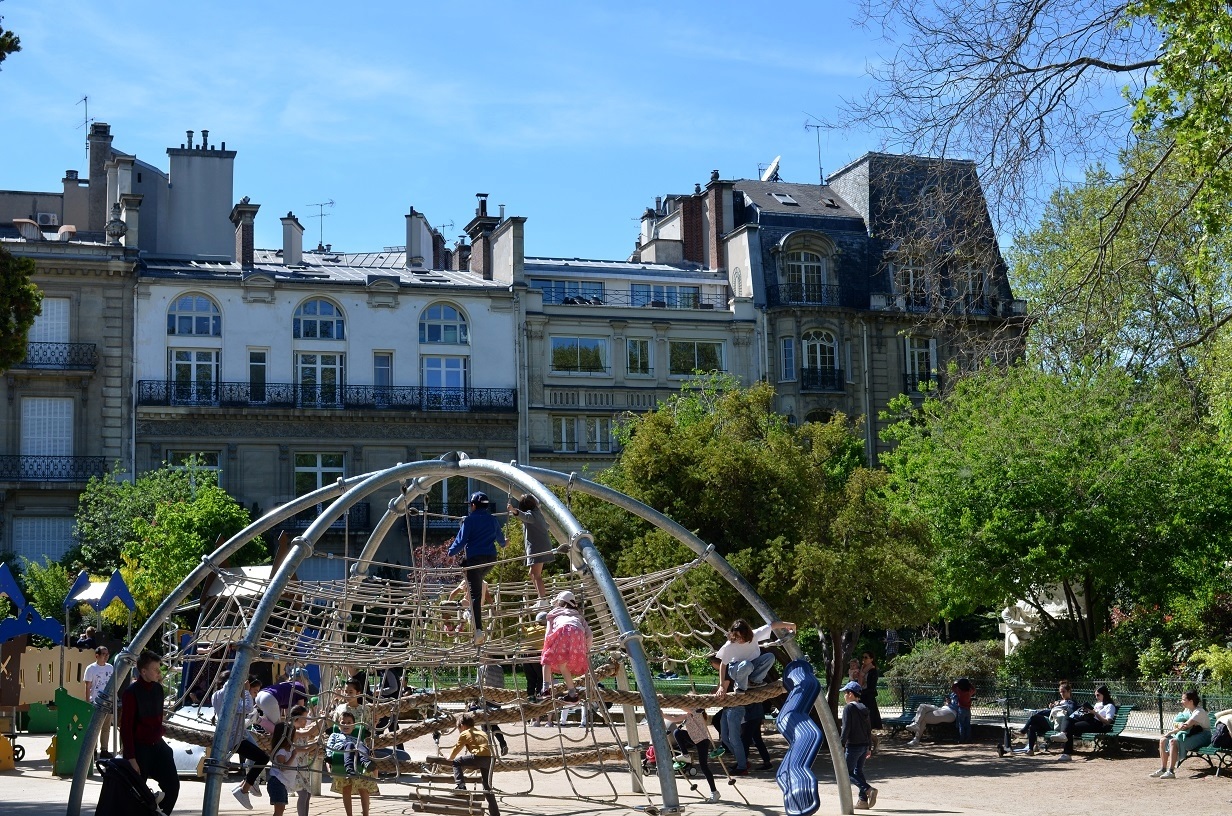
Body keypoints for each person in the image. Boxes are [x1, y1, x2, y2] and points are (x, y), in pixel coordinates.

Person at [119, 650, 178, 815]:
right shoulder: (131, 693)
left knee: (172, 785)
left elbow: (158, 719)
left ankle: (161, 813)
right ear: (143, 671)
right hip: (139, 749)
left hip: (157, 745)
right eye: (155, 669)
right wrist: (130, 757)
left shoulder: (158, 689)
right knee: (137, 792)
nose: (159, 673)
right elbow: (126, 727)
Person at [447, 491, 506, 644]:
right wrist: (505, 543)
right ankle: (473, 618)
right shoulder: (492, 520)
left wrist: (451, 552)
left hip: (474, 560)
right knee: (477, 585)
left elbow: (461, 541)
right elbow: (501, 541)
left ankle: (478, 631)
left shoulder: (469, 520)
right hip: (490, 560)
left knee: (475, 594)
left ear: (473, 505)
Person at [221, 674, 273, 809]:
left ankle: (246, 785)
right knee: (262, 758)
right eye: (254, 692)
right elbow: (248, 708)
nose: (255, 696)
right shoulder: (234, 697)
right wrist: (245, 691)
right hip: (233, 739)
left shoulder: (232, 695)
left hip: (238, 736)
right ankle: (245, 788)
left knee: (260, 757)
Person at [715, 618, 796, 698]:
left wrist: (791, 625)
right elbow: (723, 665)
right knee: (746, 664)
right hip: (736, 669)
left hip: (751, 666)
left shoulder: (754, 635)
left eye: (742, 637)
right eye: (737, 637)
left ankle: (754, 681)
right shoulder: (730, 645)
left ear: (747, 634)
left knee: (770, 657)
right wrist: (721, 686)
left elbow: (773, 625)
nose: (739, 639)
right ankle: (740, 686)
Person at [540, 590, 592, 702]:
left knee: (547, 659)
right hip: (578, 635)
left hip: (562, 631)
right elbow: (589, 634)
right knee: (563, 665)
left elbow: (548, 633)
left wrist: (547, 648)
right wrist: (586, 648)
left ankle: (545, 689)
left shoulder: (553, 614)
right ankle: (572, 694)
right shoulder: (578, 616)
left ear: (560, 603)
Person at [664, 707, 721, 803]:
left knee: (704, 767)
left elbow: (687, 708)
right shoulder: (688, 715)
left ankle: (714, 792)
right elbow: (674, 719)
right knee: (677, 732)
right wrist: (662, 714)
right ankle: (685, 755)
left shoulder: (698, 713)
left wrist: (676, 703)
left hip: (702, 741)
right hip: (694, 740)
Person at [449, 713, 500, 816]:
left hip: (479, 757)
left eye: (458, 728)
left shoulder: (465, 733)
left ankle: (461, 785)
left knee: (456, 762)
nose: (459, 730)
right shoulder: (480, 731)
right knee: (487, 788)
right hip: (490, 759)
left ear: (462, 726)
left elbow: (457, 748)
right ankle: (495, 813)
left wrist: (450, 758)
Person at [1152, 689, 1211, 778]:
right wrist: (1178, 725)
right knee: (1163, 740)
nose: (1181, 701)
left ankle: (1171, 771)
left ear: (1191, 701)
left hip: (1203, 736)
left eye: (1183, 699)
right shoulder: (1187, 711)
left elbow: (1185, 726)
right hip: (1189, 734)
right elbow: (1178, 723)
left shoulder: (1199, 712)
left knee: (1173, 741)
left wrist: (1170, 732)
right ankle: (1163, 769)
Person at [507, 493, 554, 603]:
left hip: (537, 547)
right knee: (532, 574)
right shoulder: (538, 514)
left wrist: (514, 510)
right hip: (541, 546)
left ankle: (542, 599)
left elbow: (525, 516)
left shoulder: (532, 515)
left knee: (536, 574)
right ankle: (541, 597)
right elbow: (546, 526)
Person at [839, 681, 877, 809]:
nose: (844, 696)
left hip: (853, 745)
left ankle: (868, 789)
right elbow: (868, 729)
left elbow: (846, 728)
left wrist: (841, 743)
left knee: (846, 772)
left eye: (845, 693)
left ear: (850, 694)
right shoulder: (864, 707)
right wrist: (869, 747)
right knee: (858, 771)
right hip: (863, 745)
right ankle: (863, 801)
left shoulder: (849, 708)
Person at [1057, 685, 1117, 761]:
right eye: (1095, 695)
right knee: (1068, 718)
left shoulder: (1110, 706)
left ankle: (1067, 752)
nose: (1096, 697)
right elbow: (1092, 713)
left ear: (1104, 694)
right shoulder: (1098, 704)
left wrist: (1095, 713)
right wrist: (1087, 711)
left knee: (1070, 727)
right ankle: (1063, 734)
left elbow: (1107, 722)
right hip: (1090, 721)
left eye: (1098, 695)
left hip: (1098, 725)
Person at [1016, 681, 1076, 754]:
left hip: (1056, 724)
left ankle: (1023, 731)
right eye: (1060, 692)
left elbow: (1071, 711)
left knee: (1033, 718)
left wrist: (1059, 705)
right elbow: (1051, 713)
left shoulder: (1071, 702)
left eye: (1063, 692)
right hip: (1051, 721)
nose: (1062, 694)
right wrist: (1052, 707)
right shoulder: (1059, 701)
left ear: (1069, 691)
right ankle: (1030, 749)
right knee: (1032, 726)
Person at [83, 645, 115, 758]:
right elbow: (87, 686)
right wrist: (87, 702)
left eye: (107, 654)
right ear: (97, 655)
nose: (106, 656)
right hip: (95, 701)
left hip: (108, 702)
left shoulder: (110, 668)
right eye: (104, 654)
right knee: (94, 727)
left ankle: (104, 749)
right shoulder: (91, 668)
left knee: (106, 727)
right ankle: (93, 749)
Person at [265, 721, 302, 816]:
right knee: (279, 809)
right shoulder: (281, 751)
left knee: (281, 808)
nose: (295, 736)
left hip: (282, 783)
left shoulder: (288, 749)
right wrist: (293, 757)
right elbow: (283, 768)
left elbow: (304, 749)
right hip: (277, 782)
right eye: (293, 734)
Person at [859, 651, 882, 754]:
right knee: (861, 724)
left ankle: (873, 742)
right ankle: (872, 742)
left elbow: (871, 687)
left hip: (868, 699)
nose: (864, 659)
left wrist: (861, 692)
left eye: (866, 657)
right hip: (861, 698)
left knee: (866, 723)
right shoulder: (862, 671)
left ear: (871, 659)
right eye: (863, 657)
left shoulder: (873, 671)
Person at [950, 678, 976, 742]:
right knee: (968, 724)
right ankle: (968, 739)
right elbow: (974, 689)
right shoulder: (969, 692)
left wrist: (956, 683)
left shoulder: (959, 691)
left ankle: (962, 739)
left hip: (961, 709)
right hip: (968, 709)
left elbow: (953, 687)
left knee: (961, 724)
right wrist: (969, 684)